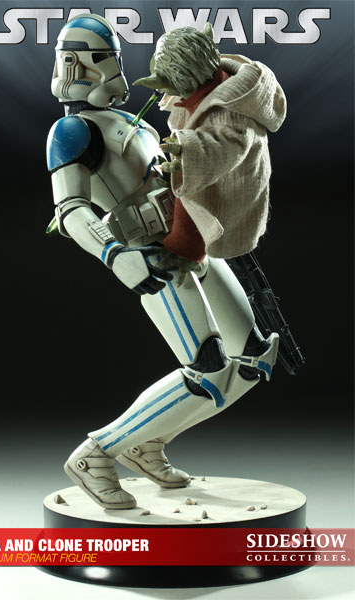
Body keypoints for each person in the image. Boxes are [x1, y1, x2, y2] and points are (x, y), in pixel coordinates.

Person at [47, 16, 285, 509]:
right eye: (98, 59)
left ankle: (146, 443)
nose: (109, 69)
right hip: (151, 256)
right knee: (208, 368)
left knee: (252, 361)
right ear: (74, 64)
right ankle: (98, 452)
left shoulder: (133, 121)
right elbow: (70, 211)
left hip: (188, 241)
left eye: (111, 58)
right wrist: (116, 256)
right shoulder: (71, 131)